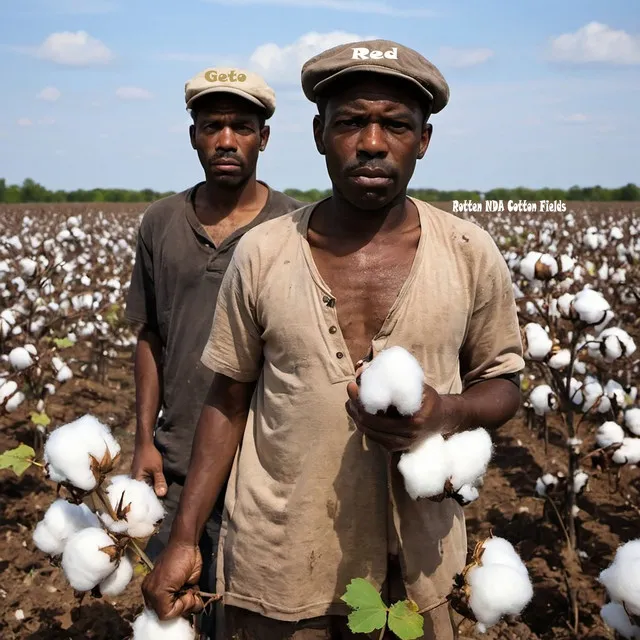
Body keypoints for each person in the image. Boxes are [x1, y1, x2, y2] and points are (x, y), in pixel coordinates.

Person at [141, 40, 524, 640]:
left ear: (424, 141)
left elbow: (503, 383)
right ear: (320, 133)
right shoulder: (264, 252)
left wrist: (445, 412)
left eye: (396, 125)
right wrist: (185, 537)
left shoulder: (470, 253)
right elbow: (227, 398)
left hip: (420, 567)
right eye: (351, 122)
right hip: (280, 563)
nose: (372, 142)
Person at [125, 66, 303, 639]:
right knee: (174, 609)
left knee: (249, 620)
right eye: (212, 126)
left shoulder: (298, 228)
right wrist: (144, 438)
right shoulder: (160, 223)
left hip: (265, 468)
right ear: (194, 135)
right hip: (174, 466)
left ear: (264, 137)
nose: (226, 140)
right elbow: (150, 334)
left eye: (242, 127)